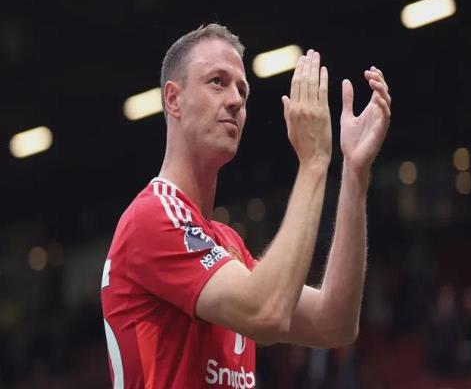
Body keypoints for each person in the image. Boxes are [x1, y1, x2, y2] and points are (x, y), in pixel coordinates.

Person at [101, 23, 391, 388]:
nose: (236, 100)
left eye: (242, 89)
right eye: (217, 82)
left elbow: (335, 322)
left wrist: (354, 173)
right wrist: (314, 161)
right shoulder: (153, 216)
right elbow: (266, 312)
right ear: (173, 99)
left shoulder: (226, 243)